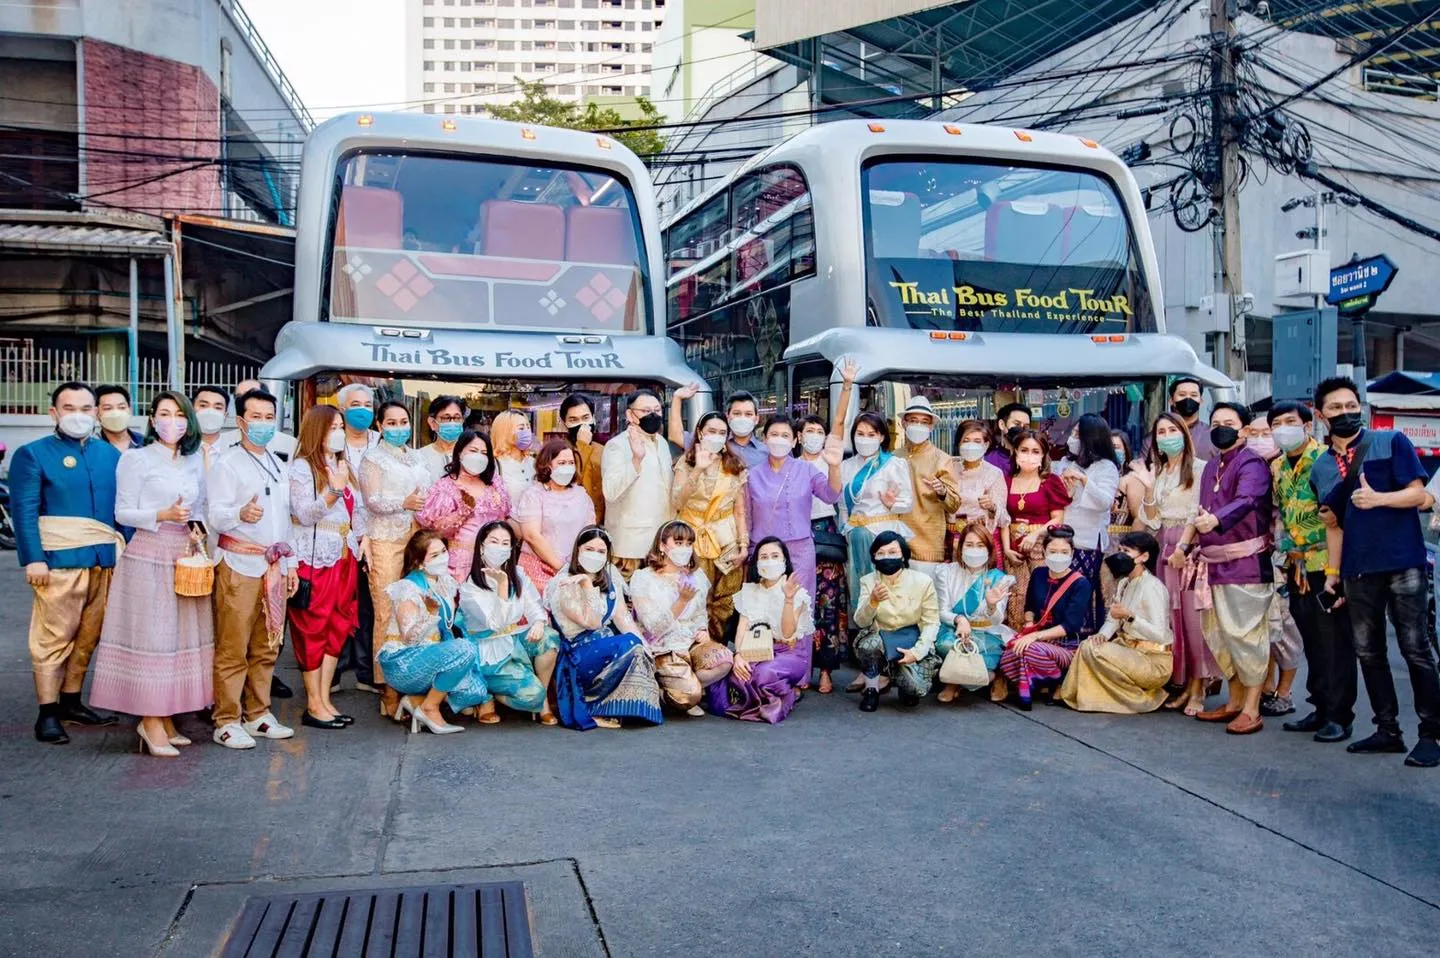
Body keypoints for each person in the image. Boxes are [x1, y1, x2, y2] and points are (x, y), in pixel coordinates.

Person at [1311, 377, 1440, 767]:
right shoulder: (1321, 466)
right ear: (1321, 415)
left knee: (1415, 649)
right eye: (1336, 408)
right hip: (1357, 569)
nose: (1346, 413)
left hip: (1403, 561)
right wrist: (1333, 573)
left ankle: (1431, 734)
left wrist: (1378, 498)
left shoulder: (1391, 442)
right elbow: (1334, 524)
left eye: (1351, 405)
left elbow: (1420, 495)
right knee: (1368, 652)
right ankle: (1387, 730)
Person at [87, 391, 209, 756]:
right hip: (148, 553)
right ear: (153, 421)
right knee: (154, 639)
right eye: (164, 414)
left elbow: (198, 506)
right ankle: (150, 721)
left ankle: (167, 716)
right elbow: (123, 512)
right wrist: (161, 515)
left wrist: (195, 529)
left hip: (183, 555)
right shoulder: (135, 459)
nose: (172, 420)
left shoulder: (192, 461)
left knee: (179, 638)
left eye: (179, 414)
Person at [12, 382, 125, 744]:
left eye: (86, 408)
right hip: (58, 561)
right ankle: (47, 713)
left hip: (103, 560)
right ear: (54, 413)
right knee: (52, 639)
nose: (79, 415)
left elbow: (121, 512)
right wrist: (33, 559)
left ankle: (72, 700)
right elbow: (25, 511)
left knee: (89, 635)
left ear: (96, 412)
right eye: (70, 407)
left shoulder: (110, 455)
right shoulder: (33, 454)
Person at [206, 386, 299, 748]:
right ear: (240, 421)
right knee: (233, 644)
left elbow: (285, 524)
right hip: (239, 563)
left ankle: (258, 712)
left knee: (267, 644)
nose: (262, 423)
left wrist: (290, 565)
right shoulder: (227, 463)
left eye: (268, 418)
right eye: (255, 417)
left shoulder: (278, 462)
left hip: (273, 565)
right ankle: (226, 718)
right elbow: (214, 515)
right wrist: (239, 514)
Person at [1266, 400, 1356, 743]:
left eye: (1290, 421)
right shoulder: (1277, 467)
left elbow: (1338, 516)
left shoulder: (1325, 460)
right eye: (1277, 423)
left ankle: (1339, 715)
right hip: (1295, 564)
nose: (1283, 428)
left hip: (1326, 562)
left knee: (1335, 642)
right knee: (1312, 641)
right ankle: (1319, 706)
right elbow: (1281, 514)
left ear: (1307, 425)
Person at [1184, 401, 1273, 736]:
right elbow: (1203, 507)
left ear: (1244, 430)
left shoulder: (1253, 464)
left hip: (1246, 565)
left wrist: (1216, 520)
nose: (1222, 427)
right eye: (1216, 421)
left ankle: (1252, 708)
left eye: (1229, 422)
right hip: (1213, 565)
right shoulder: (1212, 466)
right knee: (1219, 637)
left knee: (1246, 636)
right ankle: (1235, 701)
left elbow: (1247, 500)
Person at [746, 415, 843, 687]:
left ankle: (798, 675)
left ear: (795, 440)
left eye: (785, 435)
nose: (779, 440)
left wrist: (834, 467)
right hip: (764, 552)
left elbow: (831, 495)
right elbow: (746, 515)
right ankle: (763, 667)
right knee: (764, 609)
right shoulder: (752, 475)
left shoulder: (807, 470)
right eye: (773, 435)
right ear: (764, 440)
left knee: (800, 608)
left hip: (799, 548)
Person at [287, 405, 366, 731]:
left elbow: (357, 511)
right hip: (314, 557)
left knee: (339, 624)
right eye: (331, 426)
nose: (337, 432)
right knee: (313, 627)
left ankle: (324, 698)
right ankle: (313, 702)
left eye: (340, 426)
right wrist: (333, 491)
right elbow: (305, 514)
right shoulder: (302, 469)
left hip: (344, 556)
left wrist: (363, 542)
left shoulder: (342, 464)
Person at [1135, 412, 1216, 715]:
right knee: (1172, 618)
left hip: (1188, 549)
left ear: (1184, 433)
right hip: (1163, 547)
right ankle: (1183, 684)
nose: (1167, 435)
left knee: (1193, 620)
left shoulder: (1200, 469)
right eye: (1161, 432)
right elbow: (1151, 519)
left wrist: (1183, 546)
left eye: (1172, 429)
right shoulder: (1158, 472)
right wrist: (1147, 486)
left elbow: (1199, 511)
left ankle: (1199, 687)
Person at [546, 525, 662, 730]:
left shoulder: (608, 583)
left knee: (637, 647)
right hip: (575, 658)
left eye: (601, 552)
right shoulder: (564, 584)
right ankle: (591, 708)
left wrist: (647, 651)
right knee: (629, 645)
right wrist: (587, 586)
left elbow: (624, 620)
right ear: (578, 551)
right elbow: (592, 622)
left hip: (601, 652)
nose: (595, 555)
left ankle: (619, 708)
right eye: (589, 549)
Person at [360, 400, 431, 716]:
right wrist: (404, 501)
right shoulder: (372, 459)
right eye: (392, 423)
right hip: (385, 541)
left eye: (404, 422)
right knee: (386, 612)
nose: (399, 428)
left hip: (415, 540)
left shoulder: (414, 456)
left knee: (417, 608)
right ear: (379, 425)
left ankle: (413, 681)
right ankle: (387, 687)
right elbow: (372, 501)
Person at [452, 521, 559, 725]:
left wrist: (537, 621)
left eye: (505, 543)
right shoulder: (471, 587)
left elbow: (533, 604)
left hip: (514, 638)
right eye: (494, 542)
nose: (500, 548)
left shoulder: (517, 574)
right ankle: (489, 691)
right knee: (530, 695)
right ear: (482, 546)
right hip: (488, 650)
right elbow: (495, 623)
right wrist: (502, 586)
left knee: (549, 637)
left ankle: (542, 699)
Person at [1058, 531, 1173, 713]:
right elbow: (1113, 619)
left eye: (1126, 551)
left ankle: (1143, 698)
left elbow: (1161, 635)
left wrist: (1130, 617)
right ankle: (1075, 695)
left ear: (1144, 557)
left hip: (1153, 661)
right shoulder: (1124, 583)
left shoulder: (1153, 587)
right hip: (1129, 650)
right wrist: (1102, 635)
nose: (1120, 555)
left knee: (1092, 650)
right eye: (1119, 550)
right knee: (1089, 644)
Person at [629, 520, 733, 715]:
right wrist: (681, 602)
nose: (684, 548)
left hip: (690, 641)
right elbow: (653, 626)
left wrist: (702, 630)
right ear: (662, 546)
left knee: (724, 659)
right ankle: (665, 691)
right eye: (678, 543)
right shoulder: (644, 578)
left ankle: (683, 685)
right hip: (661, 647)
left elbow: (701, 613)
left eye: (688, 543)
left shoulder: (697, 576)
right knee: (691, 696)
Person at [797, 358, 857, 694]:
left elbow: (839, 421)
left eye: (819, 432)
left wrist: (847, 386)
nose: (816, 437)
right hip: (795, 535)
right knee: (798, 601)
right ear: (798, 436)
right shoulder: (789, 464)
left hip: (826, 533)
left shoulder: (827, 459)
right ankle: (800, 667)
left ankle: (826, 671)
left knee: (828, 604)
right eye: (809, 432)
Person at [376, 529, 472, 735]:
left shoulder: (446, 582)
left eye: (444, 551)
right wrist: (429, 613)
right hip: (405, 662)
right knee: (465, 649)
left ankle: (416, 701)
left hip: (433, 658)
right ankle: (430, 708)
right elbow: (409, 639)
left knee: (474, 691)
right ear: (420, 563)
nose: (443, 558)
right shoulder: (408, 587)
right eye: (435, 555)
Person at [710, 537, 811, 723]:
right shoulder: (749, 591)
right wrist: (739, 655)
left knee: (763, 675)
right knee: (738, 675)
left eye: (775, 556)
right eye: (764, 557)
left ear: (784, 561)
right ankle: (775, 692)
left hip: (788, 652)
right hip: (754, 649)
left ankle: (786, 696)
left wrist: (788, 599)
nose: (769, 561)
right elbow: (742, 628)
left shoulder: (796, 592)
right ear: (757, 563)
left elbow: (788, 634)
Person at [671, 412, 748, 641]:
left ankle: (718, 647)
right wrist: (697, 470)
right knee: (696, 597)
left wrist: (744, 545)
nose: (716, 436)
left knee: (727, 599)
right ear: (700, 433)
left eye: (722, 433)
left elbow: (740, 510)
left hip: (726, 540)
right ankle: (698, 649)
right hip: (692, 539)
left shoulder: (734, 465)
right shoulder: (686, 462)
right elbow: (677, 502)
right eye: (711, 431)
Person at [997, 525, 1092, 710]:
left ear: (1072, 553)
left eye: (1064, 552)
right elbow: (1030, 605)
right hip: (1037, 639)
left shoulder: (1080, 583)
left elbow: (1070, 625)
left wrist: (1034, 637)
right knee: (1008, 657)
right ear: (1044, 551)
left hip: (1065, 645)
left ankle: (1046, 682)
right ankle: (1044, 681)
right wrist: (1029, 623)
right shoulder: (1039, 573)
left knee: (1029, 650)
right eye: (1053, 551)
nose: (1058, 555)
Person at [1247, 413, 1301, 718]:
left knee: (1285, 628)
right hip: (1253, 558)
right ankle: (1266, 687)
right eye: (1251, 432)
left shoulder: (1288, 468)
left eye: (1264, 432)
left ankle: (1285, 691)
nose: (1258, 438)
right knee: (1260, 628)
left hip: (1284, 559)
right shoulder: (1247, 466)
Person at [852, 530, 941, 712]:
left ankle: (903, 683)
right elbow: (860, 621)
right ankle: (871, 689)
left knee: (915, 689)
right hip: (882, 637)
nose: (887, 557)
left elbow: (931, 622)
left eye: (893, 552)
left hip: (912, 639)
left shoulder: (923, 581)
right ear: (874, 557)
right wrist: (872, 602)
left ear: (903, 555)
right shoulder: (868, 581)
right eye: (881, 553)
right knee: (867, 645)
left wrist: (916, 653)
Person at [839, 411, 915, 616]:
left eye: (871, 434)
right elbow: (843, 507)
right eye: (860, 434)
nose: (865, 439)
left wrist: (892, 504)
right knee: (857, 582)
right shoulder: (846, 466)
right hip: (855, 534)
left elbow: (908, 503)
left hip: (884, 533)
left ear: (881, 437)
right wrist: (845, 530)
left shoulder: (893, 464)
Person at [415, 429, 510, 583]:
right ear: (459, 452)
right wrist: (462, 512)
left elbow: (503, 520)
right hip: (459, 563)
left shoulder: (495, 484)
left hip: (492, 560)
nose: (479, 456)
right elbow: (437, 531)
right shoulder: (447, 486)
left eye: (484, 453)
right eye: (473, 450)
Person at [934, 523, 1014, 703]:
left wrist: (992, 606)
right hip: (954, 631)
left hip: (987, 634)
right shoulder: (946, 572)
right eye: (969, 545)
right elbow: (942, 611)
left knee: (982, 667)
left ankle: (989, 677)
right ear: (960, 547)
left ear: (989, 550)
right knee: (946, 646)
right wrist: (959, 619)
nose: (974, 550)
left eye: (980, 546)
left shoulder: (998, 578)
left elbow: (997, 619)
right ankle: (968, 680)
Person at [1055, 413, 1120, 632]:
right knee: (1060, 588)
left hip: (1089, 542)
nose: (1072, 438)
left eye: (1076, 434)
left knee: (1082, 591)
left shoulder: (1106, 467)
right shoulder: (1064, 463)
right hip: (1063, 537)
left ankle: (1082, 635)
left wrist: (1084, 480)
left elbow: (1105, 502)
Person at [335, 382, 380, 693]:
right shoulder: (333, 443)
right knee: (337, 602)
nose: (362, 410)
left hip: (375, 535)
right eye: (355, 404)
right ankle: (335, 668)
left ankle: (366, 671)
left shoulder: (381, 441)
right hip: (337, 534)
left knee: (368, 603)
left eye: (367, 404)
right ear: (342, 408)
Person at [1002, 430, 1071, 630]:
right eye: (1024, 450)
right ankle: (1016, 640)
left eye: (1035, 451)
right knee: (1016, 593)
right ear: (1015, 452)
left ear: (1043, 455)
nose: (1029, 455)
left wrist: (1035, 534)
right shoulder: (1006, 481)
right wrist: (1006, 549)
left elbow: (1058, 518)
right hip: (1014, 547)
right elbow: (1003, 518)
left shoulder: (1050, 481)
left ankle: (1041, 642)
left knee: (1043, 593)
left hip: (1041, 546)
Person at [601, 390, 673, 576]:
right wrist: (636, 460)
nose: (653, 415)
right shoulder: (617, 445)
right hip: (630, 545)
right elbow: (611, 491)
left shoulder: (662, 443)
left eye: (657, 410)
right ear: (630, 414)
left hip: (662, 541)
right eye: (646, 410)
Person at [515, 437, 596, 593]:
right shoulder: (534, 494)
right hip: (539, 568)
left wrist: (576, 567)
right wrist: (560, 567)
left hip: (574, 568)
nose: (567, 467)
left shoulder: (581, 495)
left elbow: (589, 532)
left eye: (570, 463)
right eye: (561, 463)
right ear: (547, 465)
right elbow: (532, 535)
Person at [897, 397, 961, 580]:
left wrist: (942, 491)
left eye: (924, 422)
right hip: (896, 542)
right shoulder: (894, 457)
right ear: (904, 423)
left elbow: (954, 504)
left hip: (927, 543)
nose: (919, 426)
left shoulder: (942, 459)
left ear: (931, 427)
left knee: (926, 602)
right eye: (913, 421)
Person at [942, 418, 1008, 568]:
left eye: (977, 441)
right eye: (966, 440)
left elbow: (1003, 516)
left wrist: (992, 507)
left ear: (986, 444)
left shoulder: (993, 473)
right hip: (952, 541)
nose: (971, 445)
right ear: (959, 444)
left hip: (980, 541)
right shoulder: (949, 469)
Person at [1101, 429, 1147, 608]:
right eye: (1109, 447)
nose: (1113, 452)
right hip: (1101, 542)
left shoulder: (1131, 479)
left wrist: (1131, 550)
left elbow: (1138, 516)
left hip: (1121, 541)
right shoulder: (1099, 477)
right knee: (1104, 591)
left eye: (1117, 447)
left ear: (1126, 450)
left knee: (1121, 590)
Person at [220, 378, 298, 460]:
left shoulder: (290, 444)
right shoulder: (221, 443)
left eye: (253, 395)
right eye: (239, 397)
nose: (244, 400)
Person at [560, 393, 605, 523]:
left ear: (593, 418)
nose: (581, 424)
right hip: (570, 521)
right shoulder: (558, 451)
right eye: (573, 420)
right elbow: (569, 481)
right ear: (564, 424)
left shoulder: (603, 450)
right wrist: (582, 445)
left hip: (601, 523)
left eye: (585, 418)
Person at [415, 395, 467, 485]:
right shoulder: (418, 457)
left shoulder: (471, 455)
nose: (452, 423)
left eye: (457, 418)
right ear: (432, 423)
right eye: (446, 418)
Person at [490, 409, 537, 504]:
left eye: (528, 427)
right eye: (521, 428)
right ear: (504, 432)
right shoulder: (494, 466)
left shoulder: (534, 463)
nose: (527, 432)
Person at [1166, 377, 1215, 460]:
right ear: (1171, 401)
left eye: (1193, 395)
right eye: (1182, 394)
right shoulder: (1158, 435)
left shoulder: (1212, 435)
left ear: (1201, 401)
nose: (1188, 398)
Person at [722, 390, 767, 470]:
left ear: (756, 419)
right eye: (737, 413)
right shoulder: (719, 446)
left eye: (748, 414)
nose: (742, 418)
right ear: (727, 417)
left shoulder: (766, 452)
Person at [985, 402, 1032, 476]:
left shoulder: (1034, 458)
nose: (1021, 429)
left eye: (1026, 427)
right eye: (1017, 424)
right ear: (1002, 425)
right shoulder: (989, 460)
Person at [190, 385, 230, 471]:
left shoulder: (234, 452)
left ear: (225, 416)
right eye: (203, 405)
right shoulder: (180, 450)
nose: (210, 411)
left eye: (218, 408)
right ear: (192, 410)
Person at [95, 384, 144, 453]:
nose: (116, 413)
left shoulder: (145, 443)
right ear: (97, 413)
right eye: (108, 408)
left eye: (122, 407)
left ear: (130, 410)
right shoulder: (92, 447)